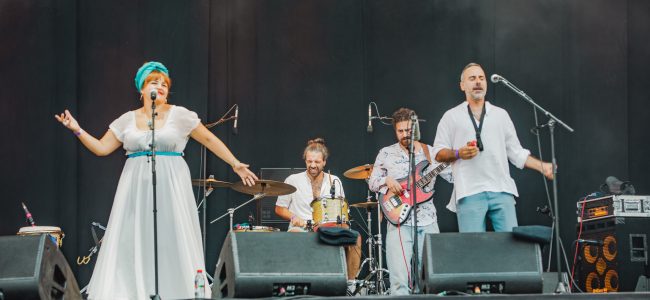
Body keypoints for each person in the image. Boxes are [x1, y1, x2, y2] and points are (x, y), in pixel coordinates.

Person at [55, 61, 258, 299]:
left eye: (164, 83)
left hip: (171, 186)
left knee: (171, 236)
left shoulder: (180, 115)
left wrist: (235, 163)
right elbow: (101, 148)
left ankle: (178, 291)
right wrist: (77, 129)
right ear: (142, 89)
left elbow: (210, 140)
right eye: (154, 82)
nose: (160, 86)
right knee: (134, 238)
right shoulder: (127, 119)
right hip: (135, 188)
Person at [432, 62, 553, 233]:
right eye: (472, 78)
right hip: (469, 190)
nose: (478, 82)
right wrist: (459, 153)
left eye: (481, 78)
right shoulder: (451, 116)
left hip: (501, 189)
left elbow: (516, 152)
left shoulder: (500, 114)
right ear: (462, 85)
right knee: (474, 249)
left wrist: (542, 166)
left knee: (510, 248)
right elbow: (438, 153)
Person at [368, 108, 452, 295]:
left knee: (433, 281)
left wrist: (458, 157)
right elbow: (372, 182)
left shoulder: (430, 152)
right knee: (399, 283)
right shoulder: (386, 153)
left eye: (408, 130)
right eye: (400, 131)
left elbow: (453, 176)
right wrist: (386, 181)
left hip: (428, 220)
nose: (405, 134)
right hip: (398, 222)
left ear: (416, 128)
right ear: (395, 131)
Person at [274, 138, 362, 291]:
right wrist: (294, 218)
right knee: (294, 234)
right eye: (309, 161)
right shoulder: (293, 180)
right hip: (301, 228)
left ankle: (349, 284)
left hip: (327, 228)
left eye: (317, 161)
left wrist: (343, 226)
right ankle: (292, 285)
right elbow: (279, 208)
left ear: (324, 162)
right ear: (305, 160)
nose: (313, 165)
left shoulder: (334, 181)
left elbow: (341, 211)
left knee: (355, 238)